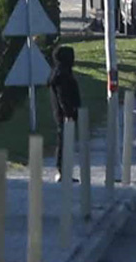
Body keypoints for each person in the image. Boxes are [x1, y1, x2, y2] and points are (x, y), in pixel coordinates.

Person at [48, 45, 81, 182]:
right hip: (65, 114)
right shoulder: (62, 75)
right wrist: (68, 112)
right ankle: (62, 171)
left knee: (66, 141)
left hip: (66, 113)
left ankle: (65, 171)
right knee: (64, 142)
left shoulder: (62, 73)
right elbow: (63, 96)